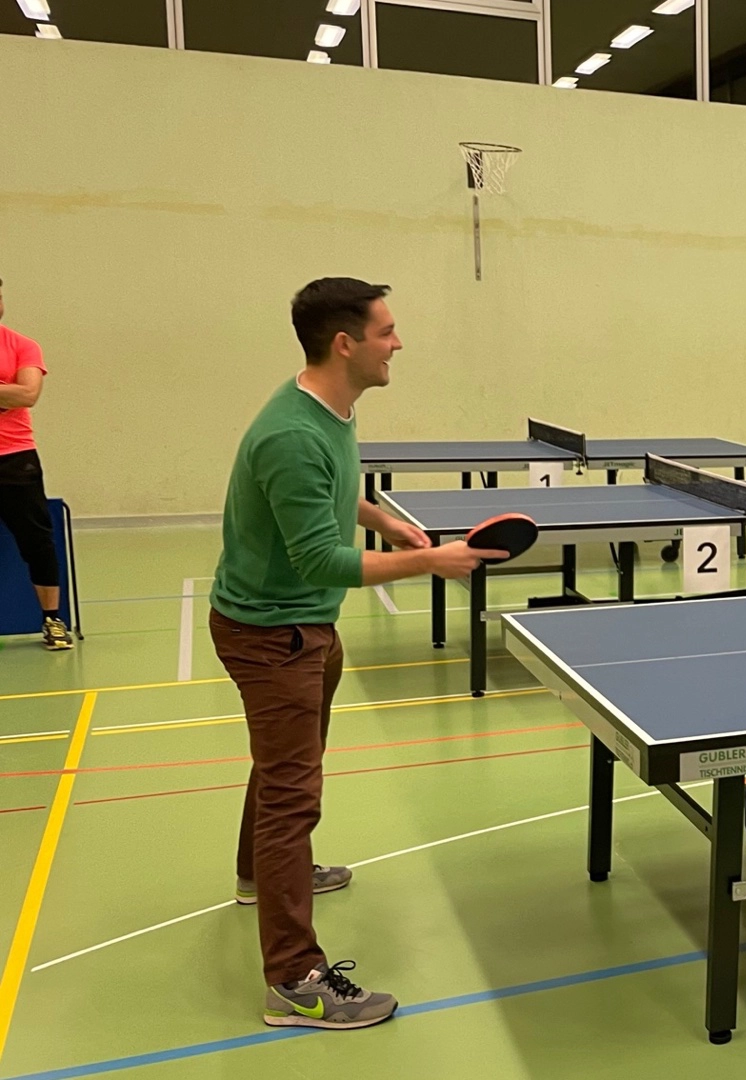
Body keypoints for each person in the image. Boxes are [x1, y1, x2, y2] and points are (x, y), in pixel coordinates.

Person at [211, 278, 502, 1030]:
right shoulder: (292, 434)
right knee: (292, 795)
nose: (397, 343)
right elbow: (318, 559)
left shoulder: (329, 409)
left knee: (285, 765)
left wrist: (381, 519)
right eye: (387, 331)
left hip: (304, 625)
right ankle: (293, 982)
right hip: (273, 633)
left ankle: (257, 876)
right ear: (345, 344)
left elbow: (331, 492)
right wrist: (430, 560)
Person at [0, 278, 75, 650]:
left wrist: (15, 394)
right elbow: (14, 393)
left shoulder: (22, 346)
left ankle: (52, 620)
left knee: (37, 542)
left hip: (15, 459)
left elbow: (28, 394)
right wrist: (6, 392)